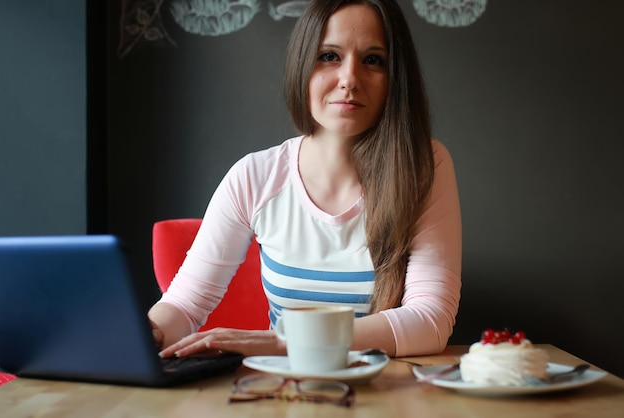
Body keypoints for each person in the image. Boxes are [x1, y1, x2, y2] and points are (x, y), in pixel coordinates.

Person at [150, 0, 462, 360]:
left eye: (373, 60)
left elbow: (430, 320)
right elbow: (185, 305)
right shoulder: (255, 176)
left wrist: (286, 342)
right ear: (302, 66)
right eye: (329, 56)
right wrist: (149, 332)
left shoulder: (423, 166)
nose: (349, 79)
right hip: (283, 393)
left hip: (386, 395)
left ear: (395, 78)